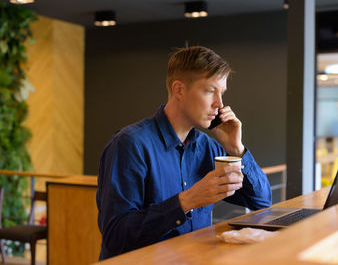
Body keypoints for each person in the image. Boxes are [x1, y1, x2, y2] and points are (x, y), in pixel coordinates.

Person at [96, 46, 272, 260]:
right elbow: (115, 236)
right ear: (179, 90)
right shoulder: (130, 144)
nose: (220, 104)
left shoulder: (209, 147)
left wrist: (236, 148)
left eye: (221, 93)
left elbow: (261, 202)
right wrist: (185, 202)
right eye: (210, 91)